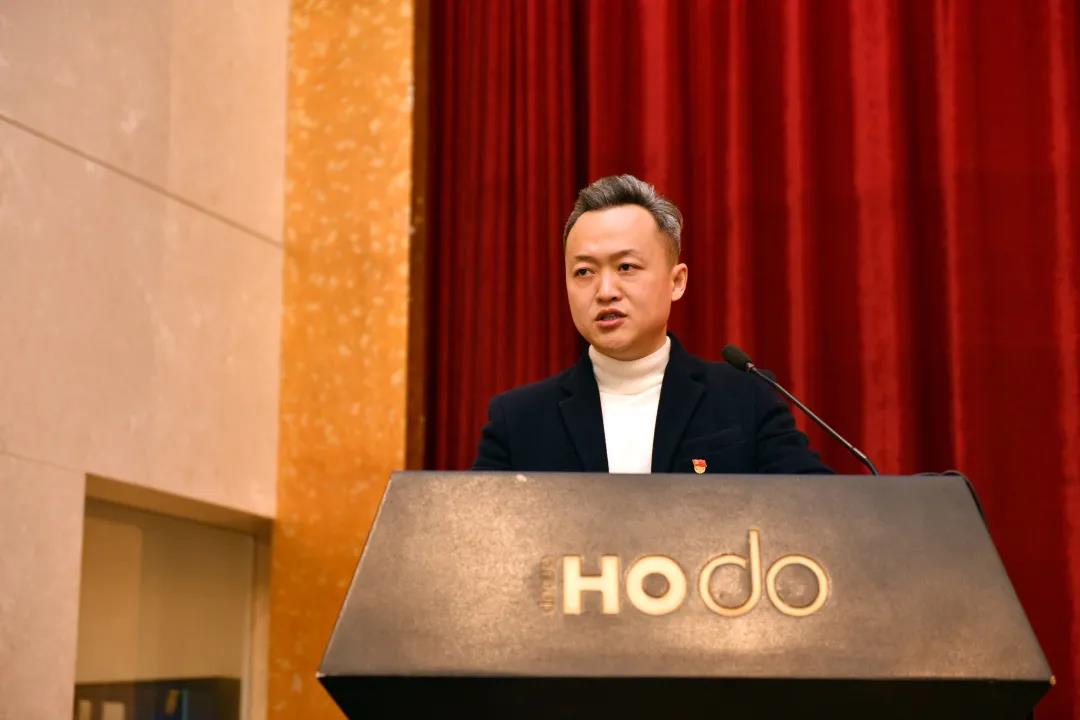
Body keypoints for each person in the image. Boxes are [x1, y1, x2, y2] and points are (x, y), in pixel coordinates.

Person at [472, 174, 830, 475]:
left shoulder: (746, 400)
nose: (605, 291)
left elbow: (818, 510)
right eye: (583, 272)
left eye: (626, 267)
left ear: (677, 281)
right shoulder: (518, 421)